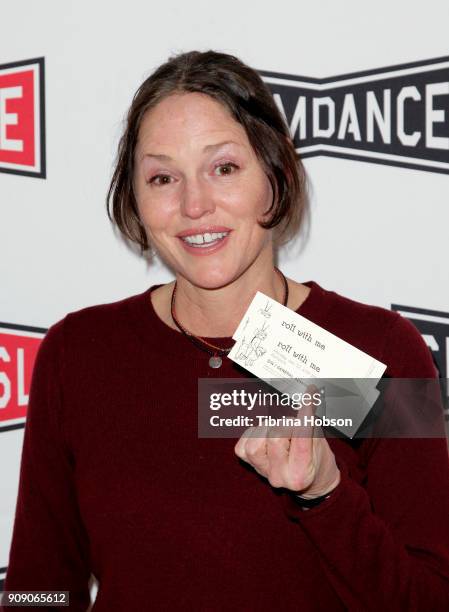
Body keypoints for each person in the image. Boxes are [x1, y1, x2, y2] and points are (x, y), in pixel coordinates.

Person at [3, 50, 449, 611]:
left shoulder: (380, 351)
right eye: (163, 177)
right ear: (135, 200)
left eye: (224, 168)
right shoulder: (80, 354)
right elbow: (35, 591)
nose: (194, 205)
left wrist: (324, 496)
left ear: (275, 174)